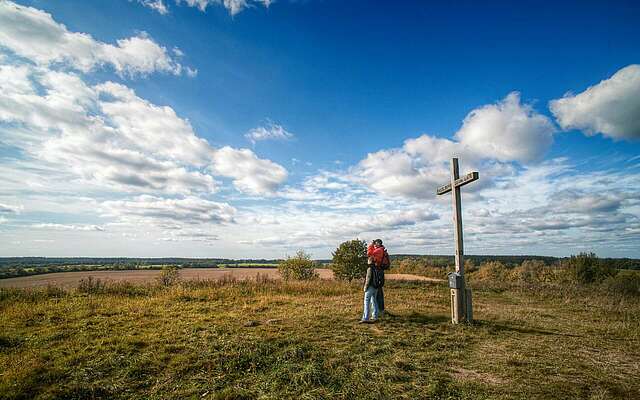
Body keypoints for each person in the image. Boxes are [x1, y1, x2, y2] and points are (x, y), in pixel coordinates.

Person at [367, 239, 391, 317]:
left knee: (377, 290)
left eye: (375, 243)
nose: (374, 244)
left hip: (377, 271)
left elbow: (369, 253)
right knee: (378, 290)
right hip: (379, 271)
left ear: (378, 243)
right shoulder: (381, 250)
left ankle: (379, 311)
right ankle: (379, 310)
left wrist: (371, 245)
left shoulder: (379, 250)